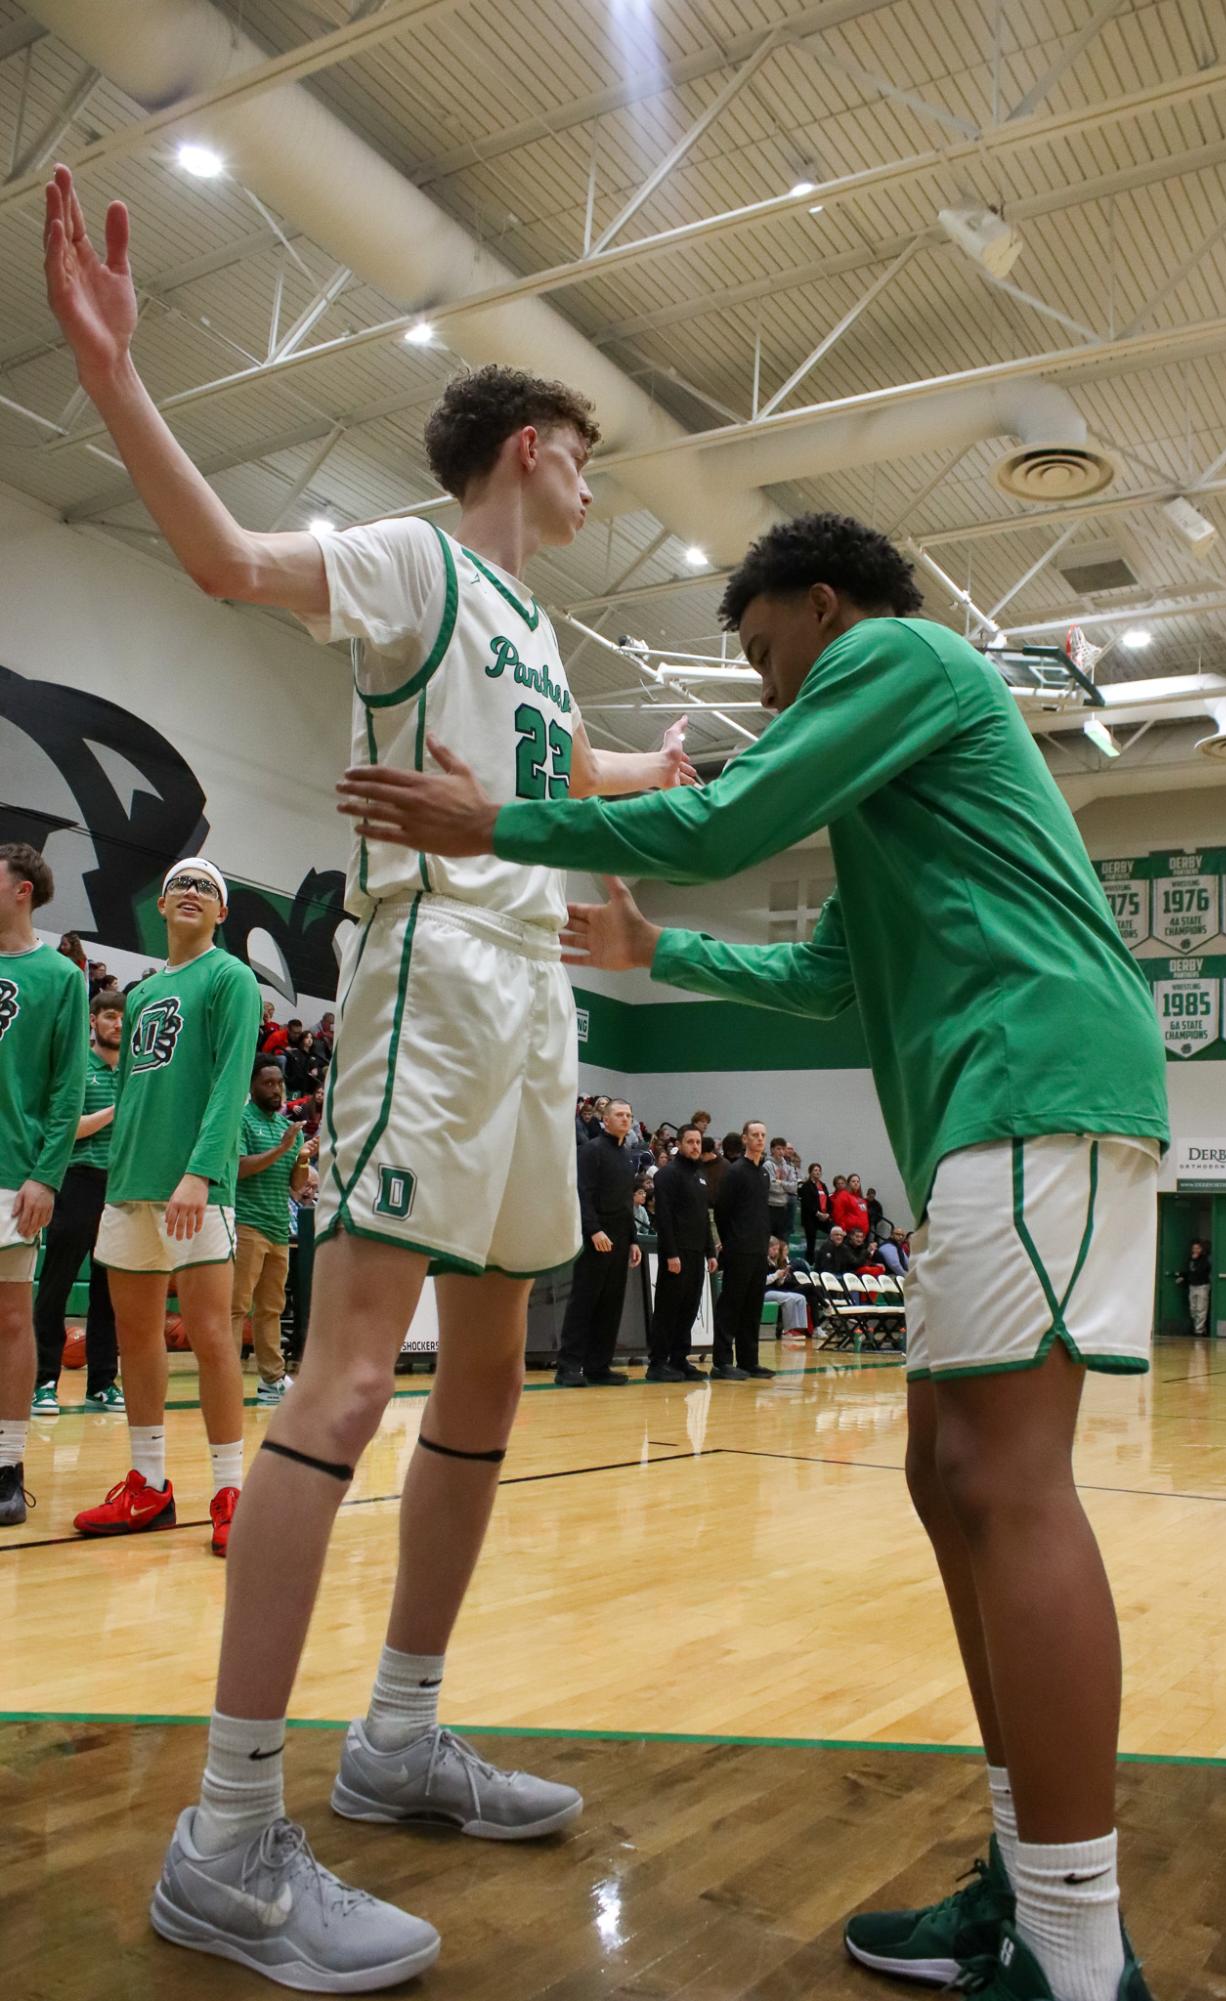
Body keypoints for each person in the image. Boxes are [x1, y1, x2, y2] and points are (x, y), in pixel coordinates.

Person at [43, 158, 702, 1986]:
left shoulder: (539, 639)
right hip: (429, 973)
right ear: (519, 447)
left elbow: (562, 793)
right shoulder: (413, 559)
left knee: (489, 1363)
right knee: (346, 1376)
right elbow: (224, 565)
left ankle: (400, 1730)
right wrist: (112, 374)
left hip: (533, 999)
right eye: (579, 449)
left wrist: (645, 780)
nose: (591, 477)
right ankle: (229, 1830)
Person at [369, 508, 1173, 2001]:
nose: (761, 693)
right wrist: (651, 954)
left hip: (1038, 1082)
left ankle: (1073, 1951)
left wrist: (504, 825)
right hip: (987, 1110)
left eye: (759, 654)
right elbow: (821, 974)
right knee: (947, 1477)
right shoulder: (891, 777)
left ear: (821, 606)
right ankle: (1024, 1879)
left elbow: (724, 820)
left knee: (1006, 1483)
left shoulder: (901, 656)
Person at [71, 859, 258, 1557]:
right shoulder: (143, 993)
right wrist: (120, 1176)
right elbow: (132, 1100)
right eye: (181, 884)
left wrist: (203, 1171)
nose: (191, 892)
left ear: (221, 912)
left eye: (206, 887)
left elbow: (232, 1079)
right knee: (136, 1335)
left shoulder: (229, 977)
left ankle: (230, 1489)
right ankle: (148, 1483)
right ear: (160, 903)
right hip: (130, 1185)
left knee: (211, 1335)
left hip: (194, 1187)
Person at [0, 844, 89, 1527]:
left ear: (22, 889)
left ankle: (7, 1463)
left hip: (12, 1170)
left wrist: (45, 1174)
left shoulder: (61, 977)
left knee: (8, 1319)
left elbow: (66, 1088)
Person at [32, 987, 128, 1415]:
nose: (117, 1024)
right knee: (56, 1286)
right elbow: (68, 1129)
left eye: (123, 1018)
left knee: (109, 1294)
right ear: (93, 1020)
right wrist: (116, 1110)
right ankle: (43, 1381)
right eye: (109, 1016)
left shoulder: (133, 1072)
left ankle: (103, 1383)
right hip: (76, 1182)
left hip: (120, 1187)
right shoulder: (77, 1068)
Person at [231, 1061, 311, 1404]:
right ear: (252, 1086)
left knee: (271, 1308)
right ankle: (227, 1377)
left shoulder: (288, 1128)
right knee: (236, 1306)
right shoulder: (241, 1120)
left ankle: (272, 1379)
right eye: (268, 1082)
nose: (276, 1089)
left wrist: (303, 1158)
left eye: (279, 1082)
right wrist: (281, 1149)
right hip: (247, 1224)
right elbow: (239, 1169)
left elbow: (295, 1187)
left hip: (279, 1227)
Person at [555, 1098, 642, 1387]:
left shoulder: (627, 1154)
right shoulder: (590, 1151)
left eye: (629, 1115)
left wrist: (632, 1240)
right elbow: (582, 1193)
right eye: (619, 1114)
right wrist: (593, 1230)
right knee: (584, 1302)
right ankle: (568, 1366)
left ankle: (598, 1366)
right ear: (605, 1119)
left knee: (611, 1304)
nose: (625, 1119)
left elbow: (626, 1203)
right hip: (596, 1238)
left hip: (619, 1238)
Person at [646, 1122, 713, 1382]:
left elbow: (703, 1218)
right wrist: (671, 1253)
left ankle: (679, 1359)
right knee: (668, 1308)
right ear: (679, 1144)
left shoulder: (700, 1176)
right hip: (676, 1253)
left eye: (698, 1142)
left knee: (689, 1307)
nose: (695, 1146)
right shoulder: (668, 1174)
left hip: (696, 1252)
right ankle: (657, 1363)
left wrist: (710, 1252)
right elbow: (663, 1217)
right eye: (690, 1142)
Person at [710, 1120, 776, 1382]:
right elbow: (723, 1211)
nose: (760, 1139)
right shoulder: (735, 1171)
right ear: (744, 1139)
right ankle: (722, 1362)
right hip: (739, 1250)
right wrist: (731, 1242)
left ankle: (749, 1360)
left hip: (759, 1250)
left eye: (763, 1135)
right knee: (731, 1306)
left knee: (752, 1307)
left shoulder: (763, 1174)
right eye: (755, 1135)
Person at [765, 1235, 812, 1335]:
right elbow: (762, 1281)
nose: (777, 1252)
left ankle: (800, 1328)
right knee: (788, 1298)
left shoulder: (775, 1262)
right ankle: (787, 1329)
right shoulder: (762, 1262)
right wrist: (776, 1275)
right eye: (774, 1249)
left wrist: (782, 1277)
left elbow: (778, 1283)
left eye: (778, 1249)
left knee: (801, 1298)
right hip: (764, 1291)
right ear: (767, 1248)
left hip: (774, 1290)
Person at [764, 1134, 799, 1244]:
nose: (781, 1151)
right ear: (772, 1150)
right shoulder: (767, 1165)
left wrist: (781, 1183)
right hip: (770, 1206)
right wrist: (785, 1186)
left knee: (783, 1241)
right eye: (778, 1148)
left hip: (783, 1207)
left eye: (783, 1149)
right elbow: (771, 1185)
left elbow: (794, 1187)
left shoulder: (788, 1166)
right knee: (769, 1241)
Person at [799, 1160, 831, 1261]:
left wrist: (827, 1214)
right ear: (810, 1172)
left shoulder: (823, 1185)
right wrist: (818, 1213)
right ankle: (810, 1261)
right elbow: (807, 1203)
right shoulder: (807, 1186)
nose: (817, 1172)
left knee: (834, 1230)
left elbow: (828, 1200)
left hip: (823, 1216)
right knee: (811, 1241)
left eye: (819, 1170)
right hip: (810, 1218)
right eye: (815, 1170)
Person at [1179, 1240, 1211, 1335]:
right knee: (1193, 1309)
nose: (1195, 1250)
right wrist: (1183, 1277)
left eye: (1197, 1248)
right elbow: (1189, 1272)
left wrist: (1196, 1260)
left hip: (1202, 1286)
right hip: (1192, 1286)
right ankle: (1199, 1327)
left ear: (1201, 1249)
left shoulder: (1205, 1259)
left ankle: (1199, 1330)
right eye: (1194, 1248)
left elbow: (1202, 1270)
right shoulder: (1190, 1260)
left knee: (1201, 1308)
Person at [832, 1171, 869, 1236]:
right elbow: (838, 1215)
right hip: (850, 1233)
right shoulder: (843, 1195)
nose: (856, 1183)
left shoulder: (861, 1198)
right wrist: (843, 1229)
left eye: (858, 1181)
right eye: (853, 1181)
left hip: (862, 1235)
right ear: (848, 1184)